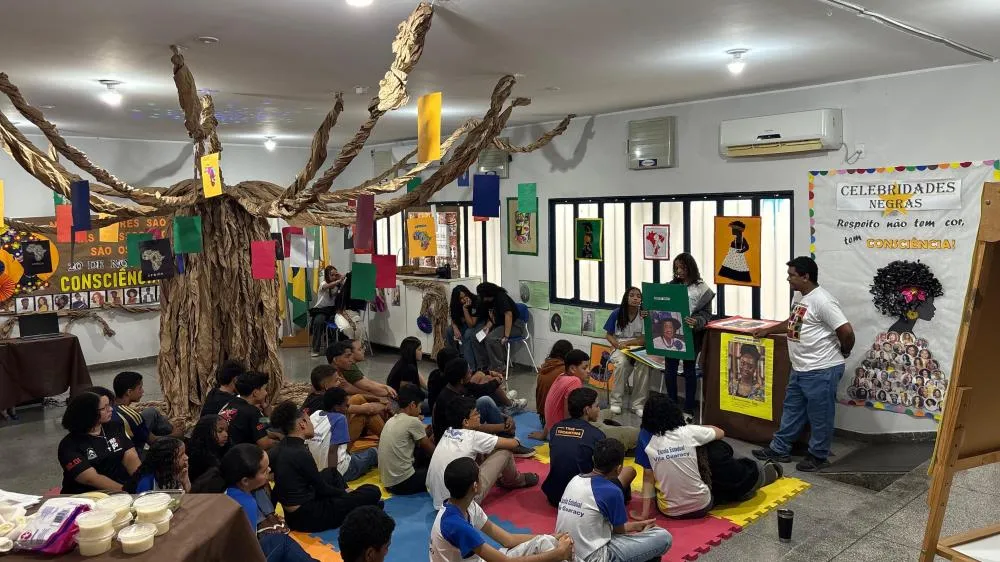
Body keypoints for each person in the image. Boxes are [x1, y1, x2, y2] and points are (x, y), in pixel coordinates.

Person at [752, 256, 855, 471]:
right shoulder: (800, 297)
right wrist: (768, 330)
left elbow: (846, 331)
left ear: (806, 277)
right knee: (792, 409)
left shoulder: (823, 300)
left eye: (792, 275)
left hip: (821, 369)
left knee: (820, 415)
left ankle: (818, 455)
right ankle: (779, 448)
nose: (788, 279)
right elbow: (793, 325)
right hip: (800, 367)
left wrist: (845, 351)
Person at [633, 393, 781, 520]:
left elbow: (648, 478)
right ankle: (756, 478)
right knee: (715, 448)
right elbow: (720, 432)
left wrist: (645, 514)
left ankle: (744, 483)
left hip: (669, 512)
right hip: (702, 506)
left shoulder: (648, 443)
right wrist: (700, 430)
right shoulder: (688, 432)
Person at [430, 457, 573, 562]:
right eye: (480, 475)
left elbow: (508, 539)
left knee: (546, 542)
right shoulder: (456, 524)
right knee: (554, 554)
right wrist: (559, 553)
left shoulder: (468, 506)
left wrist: (552, 536)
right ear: (474, 486)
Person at [267, 401, 382, 532]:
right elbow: (322, 488)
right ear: (302, 424)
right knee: (373, 491)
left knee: (331, 472)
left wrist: (271, 513)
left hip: (293, 515)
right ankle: (356, 505)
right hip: (309, 516)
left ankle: (355, 506)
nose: (312, 424)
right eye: (309, 420)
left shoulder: (277, 450)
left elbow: (276, 488)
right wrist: (346, 494)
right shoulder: (300, 453)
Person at [555, 439, 672, 562]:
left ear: (594, 460)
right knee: (663, 537)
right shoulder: (612, 491)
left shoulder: (575, 480)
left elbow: (593, 526)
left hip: (563, 551)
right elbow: (619, 533)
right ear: (619, 469)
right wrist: (642, 536)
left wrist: (634, 526)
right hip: (593, 557)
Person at [427, 396, 539, 509]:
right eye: (476, 414)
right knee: (505, 451)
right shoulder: (473, 437)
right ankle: (515, 481)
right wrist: (515, 436)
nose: (479, 415)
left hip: (437, 498)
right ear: (465, 422)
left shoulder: (448, 432)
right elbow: (512, 444)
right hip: (464, 503)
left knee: (483, 450)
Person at [221, 444, 320, 562]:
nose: (269, 470)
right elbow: (249, 550)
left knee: (277, 539)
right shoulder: (247, 504)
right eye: (263, 471)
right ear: (245, 481)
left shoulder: (227, 492)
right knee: (283, 542)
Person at [542, 388, 636, 507]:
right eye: (596, 406)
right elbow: (606, 471)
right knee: (628, 471)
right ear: (587, 410)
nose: (598, 409)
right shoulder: (597, 435)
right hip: (582, 500)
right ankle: (621, 499)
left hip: (554, 496)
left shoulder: (556, 428)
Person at [432, 359, 531, 458]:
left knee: (485, 401)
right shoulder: (451, 401)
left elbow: (480, 391)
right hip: (453, 442)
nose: (471, 372)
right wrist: (504, 426)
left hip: (461, 429)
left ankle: (507, 437)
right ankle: (509, 441)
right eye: (468, 371)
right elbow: (473, 426)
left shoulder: (459, 386)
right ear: (461, 379)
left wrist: (505, 418)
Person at [544, 350, 639, 451]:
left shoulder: (561, 376)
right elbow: (571, 418)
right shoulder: (574, 381)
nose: (589, 371)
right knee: (631, 433)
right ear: (572, 368)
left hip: (554, 431)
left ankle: (602, 419)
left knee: (608, 411)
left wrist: (544, 434)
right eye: (584, 368)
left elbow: (552, 409)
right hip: (571, 433)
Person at [57, 391, 140, 493]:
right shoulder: (69, 445)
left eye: (109, 405)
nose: (111, 409)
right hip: (87, 496)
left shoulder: (114, 427)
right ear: (89, 413)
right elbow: (91, 479)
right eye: (104, 408)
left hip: (121, 488)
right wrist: (125, 492)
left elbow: (130, 457)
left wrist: (140, 482)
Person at [665, 253, 715, 419]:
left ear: (690, 268)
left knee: (689, 371)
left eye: (683, 267)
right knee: (670, 369)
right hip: (672, 332)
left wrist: (696, 321)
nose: (679, 271)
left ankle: (688, 409)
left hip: (691, 334)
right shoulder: (671, 286)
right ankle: (671, 406)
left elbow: (707, 314)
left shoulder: (701, 288)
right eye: (676, 268)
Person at [302, 364, 385, 444]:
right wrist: (384, 405)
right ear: (326, 386)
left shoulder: (314, 396)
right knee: (364, 415)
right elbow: (369, 410)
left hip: (319, 436)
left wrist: (377, 399)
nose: (339, 383)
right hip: (327, 444)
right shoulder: (328, 402)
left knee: (357, 398)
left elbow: (349, 402)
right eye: (336, 381)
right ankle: (388, 440)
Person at [310, 388, 379, 482]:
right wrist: (334, 479)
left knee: (358, 399)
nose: (348, 408)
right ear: (337, 407)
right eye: (346, 405)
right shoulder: (339, 418)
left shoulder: (315, 415)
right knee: (374, 452)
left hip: (317, 470)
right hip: (341, 471)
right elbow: (332, 451)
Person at [379, 385, 435, 495]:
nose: (420, 411)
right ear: (412, 405)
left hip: (387, 481)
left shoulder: (391, 420)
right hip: (402, 483)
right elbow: (432, 451)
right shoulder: (413, 421)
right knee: (441, 472)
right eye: (419, 407)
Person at [604, 287, 649, 417]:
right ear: (626, 297)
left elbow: (644, 339)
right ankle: (616, 402)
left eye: (638, 296)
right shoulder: (617, 313)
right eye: (632, 295)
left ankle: (638, 405)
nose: (635, 298)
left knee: (644, 365)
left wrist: (628, 343)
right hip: (619, 347)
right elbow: (608, 335)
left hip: (638, 347)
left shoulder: (644, 315)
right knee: (622, 363)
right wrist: (617, 345)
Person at [113, 371, 183, 453]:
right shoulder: (132, 416)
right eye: (140, 388)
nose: (142, 391)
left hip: (126, 439)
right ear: (129, 392)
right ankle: (177, 445)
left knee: (151, 412)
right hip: (134, 453)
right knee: (174, 437)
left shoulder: (112, 405)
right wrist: (176, 435)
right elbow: (153, 441)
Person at [474, 282, 525, 372]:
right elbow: (492, 316)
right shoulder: (489, 301)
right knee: (480, 337)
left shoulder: (501, 297)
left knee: (491, 339)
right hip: (502, 325)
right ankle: (489, 364)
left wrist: (506, 336)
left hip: (515, 325)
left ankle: (499, 366)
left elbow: (508, 315)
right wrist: (487, 327)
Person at [222, 371, 279, 450]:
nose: (266, 393)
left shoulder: (231, 403)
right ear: (255, 393)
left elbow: (261, 424)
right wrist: (282, 442)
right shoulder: (252, 412)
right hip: (238, 455)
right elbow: (264, 444)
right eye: (264, 389)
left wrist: (275, 434)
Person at [529, 340, 574, 440]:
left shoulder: (546, 366)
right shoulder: (565, 371)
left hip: (543, 418)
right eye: (584, 368)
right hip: (555, 422)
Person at [328, 340, 397, 400]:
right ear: (335, 360)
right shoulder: (332, 377)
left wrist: (384, 389)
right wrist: (380, 397)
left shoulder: (341, 372)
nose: (351, 360)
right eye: (347, 356)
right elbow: (367, 387)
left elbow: (363, 384)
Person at [310, 265, 346, 357]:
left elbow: (344, 285)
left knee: (341, 322)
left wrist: (341, 277)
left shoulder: (338, 285)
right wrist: (338, 280)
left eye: (335, 275)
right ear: (327, 275)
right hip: (321, 310)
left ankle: (337, 347)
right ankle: (315, 349)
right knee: (318, 322)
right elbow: (327, 286)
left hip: (332, 310)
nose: (334, 277)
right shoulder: (323, 283)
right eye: (332, 275)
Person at [449, 285, 485, 368]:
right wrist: (455, 328)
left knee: (468, 334)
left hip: (479, 323)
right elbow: (454, 317)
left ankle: (471, 367)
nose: (465, 299)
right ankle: (453, 360)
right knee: (449, 330)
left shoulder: (476, 301)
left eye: (465, 295)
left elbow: (471, 324)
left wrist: (465, 309)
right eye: (461, 298)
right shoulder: (456, 304)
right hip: (466, 322)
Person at [187, 414, 230, 483]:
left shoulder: (222, 451)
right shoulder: (197, 456)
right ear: (206, 432)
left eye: (226, 431)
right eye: (220, 431)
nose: (226, 435)